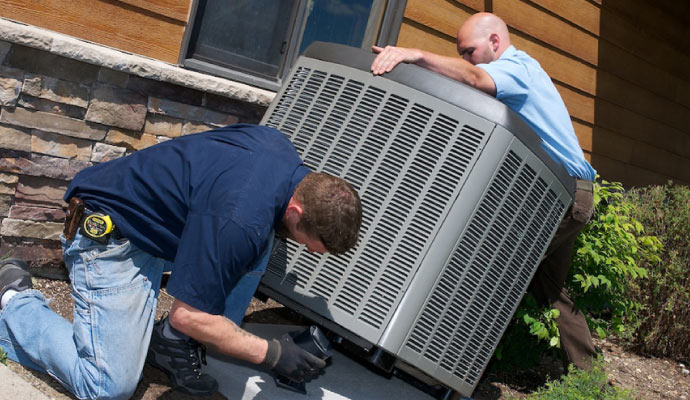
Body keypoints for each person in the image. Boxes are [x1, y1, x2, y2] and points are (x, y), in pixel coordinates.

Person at [0, 123, 363, 399]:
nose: (309, 250)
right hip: (110, 237)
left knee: (261, 237)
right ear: (300, 209)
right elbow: (187, 312)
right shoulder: (239, 220)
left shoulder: (279, 149)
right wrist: (271, 354)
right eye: (311, 243)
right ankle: (16, 300)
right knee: (107, 386)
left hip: (158, 227)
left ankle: (171, 341)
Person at [371, 12, 598, 370]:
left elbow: (476, 79)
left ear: (495, 42)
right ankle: (592, 379)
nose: (465, 60)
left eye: (468, 51)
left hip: (560, 197)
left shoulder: (516, 68)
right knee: (551, 290)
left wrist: (416, 53)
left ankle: (439, 367)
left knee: (489, 273)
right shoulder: (510, 74)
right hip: (570, 195)